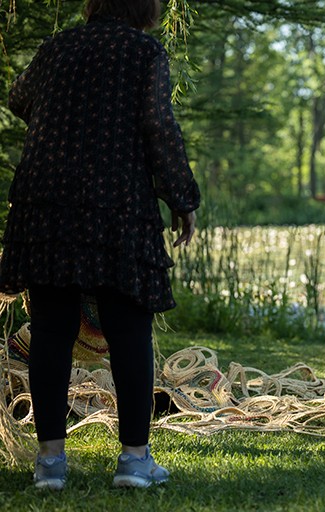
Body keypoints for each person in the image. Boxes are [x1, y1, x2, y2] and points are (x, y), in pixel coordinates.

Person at [1, 0, 201, 489]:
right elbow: (158, 125)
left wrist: (68, 119)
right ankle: (134, 461)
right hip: (117, 197)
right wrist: (182, 197)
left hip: (48, 195)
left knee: (50, 327)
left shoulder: (58, 47)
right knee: (128, 324)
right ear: (146, 7)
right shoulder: (142, 52)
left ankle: (50, 464)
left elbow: (18, 96)